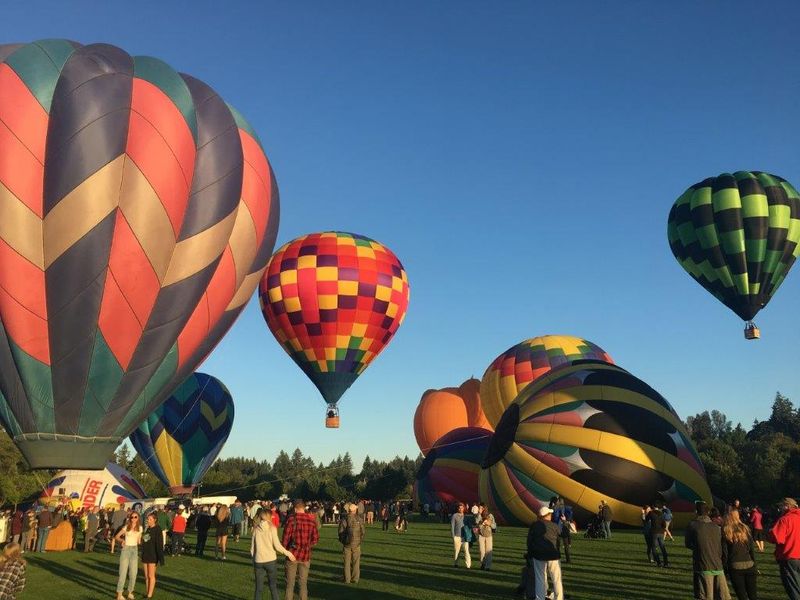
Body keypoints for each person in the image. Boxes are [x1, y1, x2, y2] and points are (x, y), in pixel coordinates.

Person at [685, 501, 731, 600]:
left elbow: (688, 544)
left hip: (703, 565)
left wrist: (699, 548)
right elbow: (721, 547)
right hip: (718, 565)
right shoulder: (716, 527)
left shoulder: (693, 525)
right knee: (723, 596)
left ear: (696, 511)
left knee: (705, 596)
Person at [252, 508, 296, 600]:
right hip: (270, 560)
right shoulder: (272, 528)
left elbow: (252, 549)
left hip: (258, 561)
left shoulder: (255, 529)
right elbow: (277, 546)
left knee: (258, 588)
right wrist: (288, 554)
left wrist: (255, 558)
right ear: (269, 517)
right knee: (273, 587)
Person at [282, 499, 319, 600]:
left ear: (294, 508)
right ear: (304, 508)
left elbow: (285, 539)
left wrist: (286, 550)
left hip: (292, 554)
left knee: (290, 584)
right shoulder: (311, 520)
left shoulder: (290, 519)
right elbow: (315, 539)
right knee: (303, 583)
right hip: (305, 555)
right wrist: (307, 545)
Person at [527, 506, 564, 600]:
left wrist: (530, 553)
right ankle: (559, 598)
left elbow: (529, 541)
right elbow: (564, 534)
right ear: (547, 515)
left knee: (540, 578)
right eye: (550, 514)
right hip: (553, 555)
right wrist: (565, 522)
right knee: (556, 578)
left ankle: (540, 598)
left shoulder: (534, 525)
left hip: (538, 555)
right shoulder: (554, 525)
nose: (551, 515)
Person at [722, 510, 757, 600]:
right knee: (753, 595)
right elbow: (751, 549)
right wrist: (754, 563)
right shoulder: (745, 528)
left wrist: (725, 569)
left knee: (742, 595)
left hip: (735, 565)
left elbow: (725, 553)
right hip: (749, 563)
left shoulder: (726, 530)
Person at [770, 497, 800, 600]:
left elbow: (778, 538)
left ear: (787, 506)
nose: (780, 508)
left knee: (793, 588)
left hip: (789, 556)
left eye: (781, 506)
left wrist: (770, 533)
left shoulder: (785, 519)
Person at [114, 512, 142, 600]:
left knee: (133, 573)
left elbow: (139, 540)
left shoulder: (140, 528)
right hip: (126, 550)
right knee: (123, 573)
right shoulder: (126, 527)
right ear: (130, 518)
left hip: (134, 550)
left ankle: (130, 592)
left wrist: (144, 540)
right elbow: (116, 536)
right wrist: (122, 540)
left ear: (138, 518)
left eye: (135, 517)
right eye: (132, 517)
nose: (133, 518)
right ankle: (119, 594)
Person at [338, 503, 366, 584]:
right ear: (355, 510)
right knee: (356, 562)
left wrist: (343, 541)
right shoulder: (359, 519)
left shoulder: (345, 519)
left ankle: (347, 579)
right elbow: (363, 532)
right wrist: (360, 540)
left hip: (347, 544)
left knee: (346, 562)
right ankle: (355, 578)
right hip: (357, 544)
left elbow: (340, 532)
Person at [141, 512, 165, 599]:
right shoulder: (148, 529)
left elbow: (159, 544)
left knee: (151, 576)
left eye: (150, 519)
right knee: (146, 576)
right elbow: (145, 540)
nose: (148, 520)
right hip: (145, 554)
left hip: (153, 555)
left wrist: (160, 558)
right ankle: (147, 593)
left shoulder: (158, 529)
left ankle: (150, 595)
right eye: (148, 519)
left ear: (155, 520)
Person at [451, 503, 471, 569]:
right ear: (457, 508)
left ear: (464, 508)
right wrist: (453, 536)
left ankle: (468, 565)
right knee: (457, 551)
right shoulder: (454, 516)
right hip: (457, 536)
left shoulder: (466, 516)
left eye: (462, 508)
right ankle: (456, 564)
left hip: (465, 536)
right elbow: (452, 526)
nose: (460, 509)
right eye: (459, 508)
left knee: (466, 551)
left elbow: (469, 526)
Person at [477, 504, 496, 569]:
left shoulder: (490, 516)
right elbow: (476, 522)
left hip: (488, 536)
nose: (479, 509)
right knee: (481, 551)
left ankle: (488, 566)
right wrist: (479, 514)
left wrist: (489, 524)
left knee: (488, 551)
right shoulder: (478, 515)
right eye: (479, 508)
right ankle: (483, 564)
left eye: (481, 508)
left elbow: (494, 526)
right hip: (481, 535)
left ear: (484, 509)